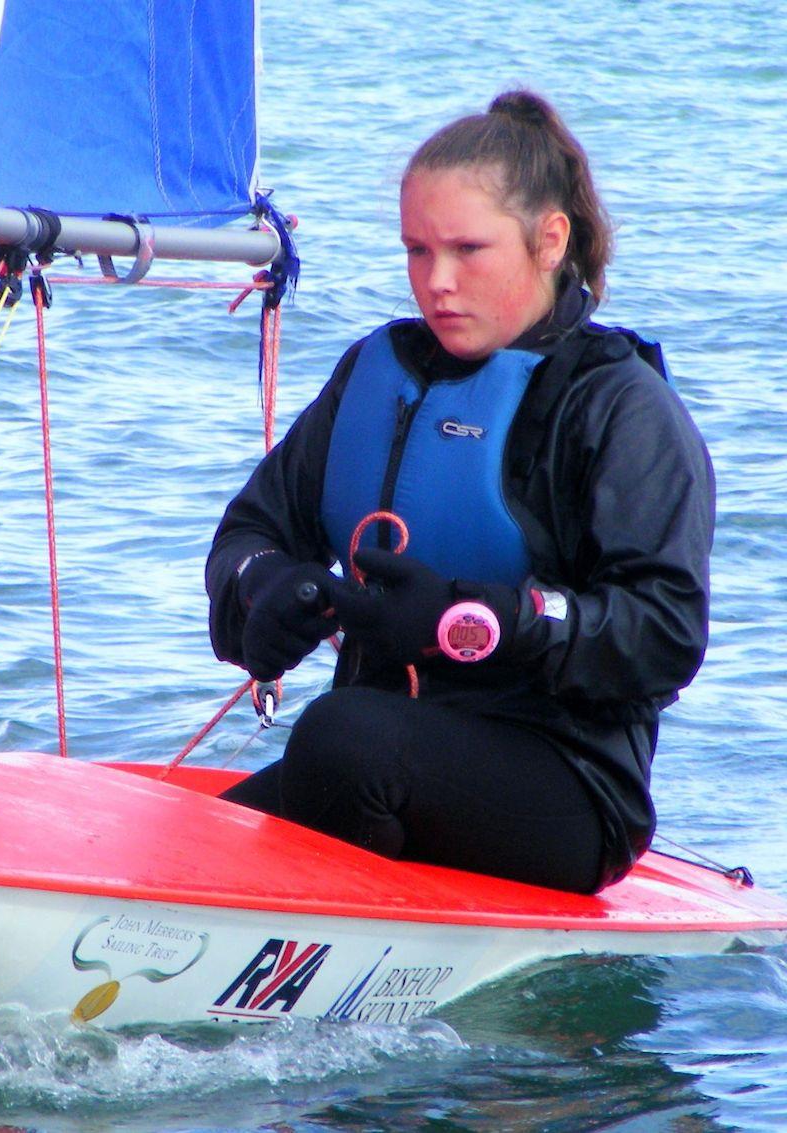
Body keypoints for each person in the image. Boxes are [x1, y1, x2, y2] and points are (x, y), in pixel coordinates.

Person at [205, 88, 714, 895]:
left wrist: (477, 621)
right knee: (210, 834)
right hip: (387, 756)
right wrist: (263, 587)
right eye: (416, 250)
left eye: (467, 250)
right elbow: (252, 528)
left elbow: (664, 631)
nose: (436, 282)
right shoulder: (378, 373)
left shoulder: (621, 406)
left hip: (567, 785)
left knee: (338, 738)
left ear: (550, 241)